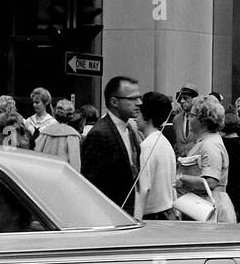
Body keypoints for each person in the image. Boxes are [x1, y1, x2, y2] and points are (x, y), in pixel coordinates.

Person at [80, 75, 143, 214]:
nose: (139, 103)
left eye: (140, 97)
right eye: (132, 98)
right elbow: (90, 184)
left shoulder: (130, 129)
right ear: (114, 102)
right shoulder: (100, 134)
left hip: (128, 214)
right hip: (108, 217)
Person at [176, 95, 236, 223]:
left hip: (208, 207)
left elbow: (211, 182)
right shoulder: (206, 141)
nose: (190, 119)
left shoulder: (210, 144)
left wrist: (180, 178)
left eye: (192, 116)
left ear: (202, 120)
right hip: (202, 204)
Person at [134, 91, 177, 220]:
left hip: (151, 213)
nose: (136, 118)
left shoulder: (146, 146)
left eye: (139, 113)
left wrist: (136, 219)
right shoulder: (164, 143)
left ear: (147, 116)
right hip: (167, 209)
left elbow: (143, 188)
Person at [33, 101, 82, 171]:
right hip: (63, 175)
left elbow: (35, 153)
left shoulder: (45, 131)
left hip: (44, 172)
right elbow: (75, 163)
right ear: (71, 115)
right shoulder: (72, 135)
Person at [167, 85, 198, 158]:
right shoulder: (176, 119)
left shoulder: (200, 119)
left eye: (185, 98)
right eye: (180, 98)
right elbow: (175, 142)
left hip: (196, 164)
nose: (181, 101)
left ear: (194, 99)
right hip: (180, 164)